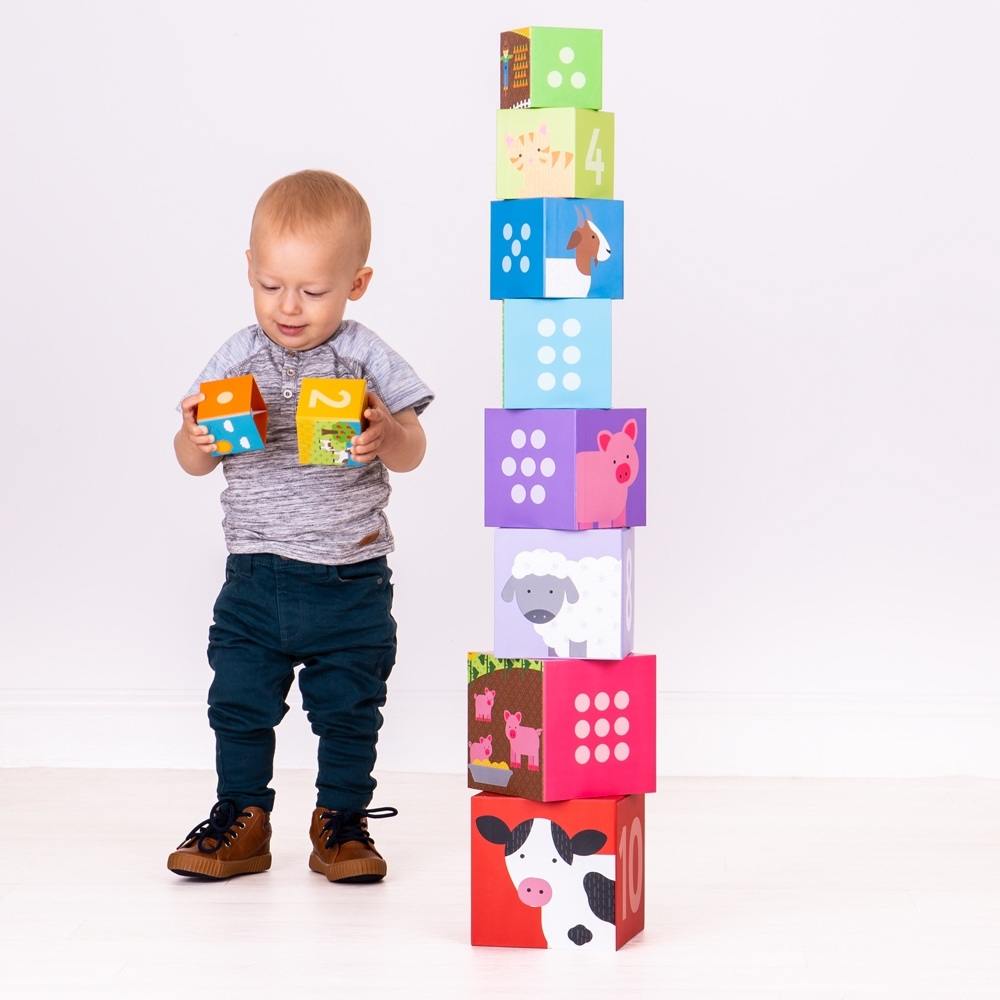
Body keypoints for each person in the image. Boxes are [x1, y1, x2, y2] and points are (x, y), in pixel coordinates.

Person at [167, 170, 433, 883]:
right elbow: (191, 458)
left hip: (351, 575)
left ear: (357, 282)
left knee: (351, 709)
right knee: (238, 704)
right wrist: (195, 441)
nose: (289, 307)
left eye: (313, 291)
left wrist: (386, 437)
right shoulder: (236, 356)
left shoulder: (365, 356)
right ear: (249, 272)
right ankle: (242, 816)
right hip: (254, 575)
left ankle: (341, 821)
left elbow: (414, 449)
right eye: (271, 286)